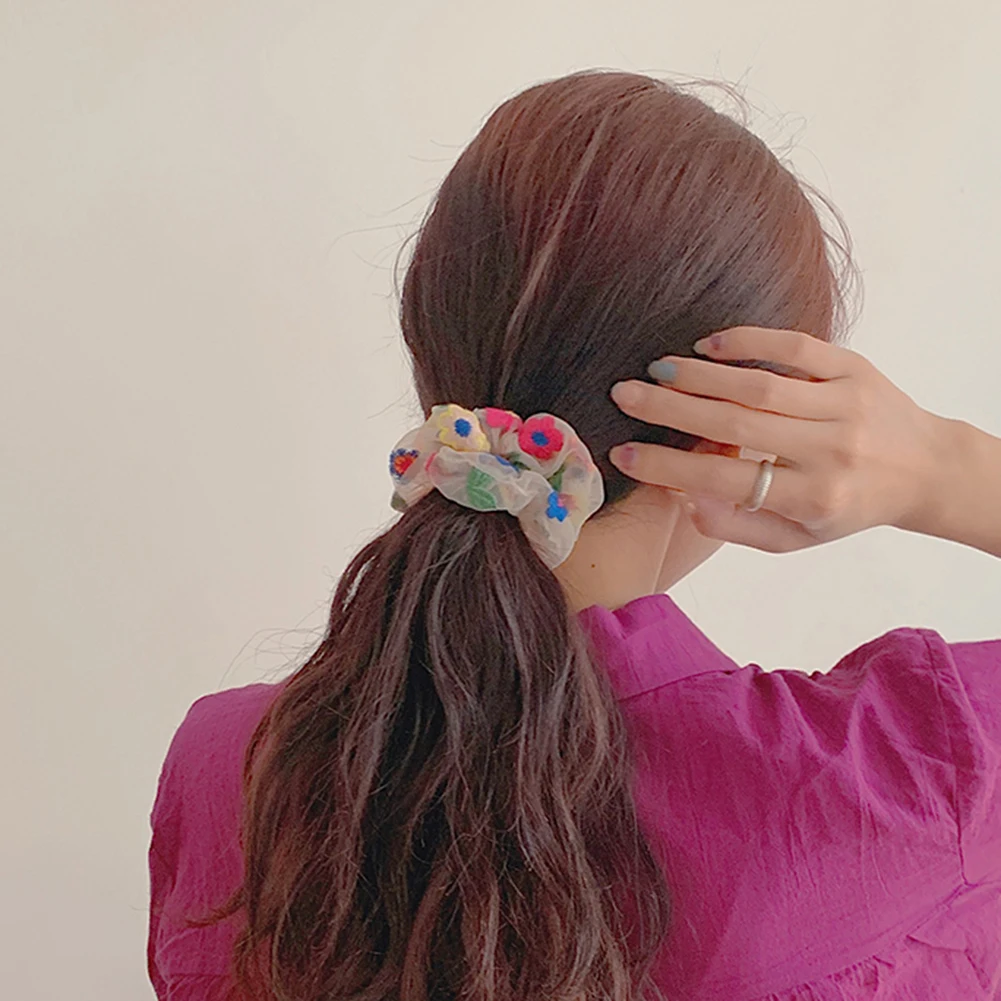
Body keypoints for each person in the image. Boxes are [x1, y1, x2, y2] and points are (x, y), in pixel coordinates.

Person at [147, 69, 1001, 1001]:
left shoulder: (229, 768)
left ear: (434, 356)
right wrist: (944, 468)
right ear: (737, 432)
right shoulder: (903, 775)